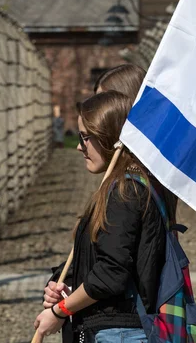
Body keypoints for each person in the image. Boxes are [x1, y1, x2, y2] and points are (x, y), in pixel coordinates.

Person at [34, 91, 176, 342]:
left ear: (108, 136)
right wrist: (67, 285)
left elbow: (112, 273)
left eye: (85, 137)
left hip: (119, 332)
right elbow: (107, 262)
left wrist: (60, 311)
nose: (79, 146)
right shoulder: (128, 186)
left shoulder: (125, 191)